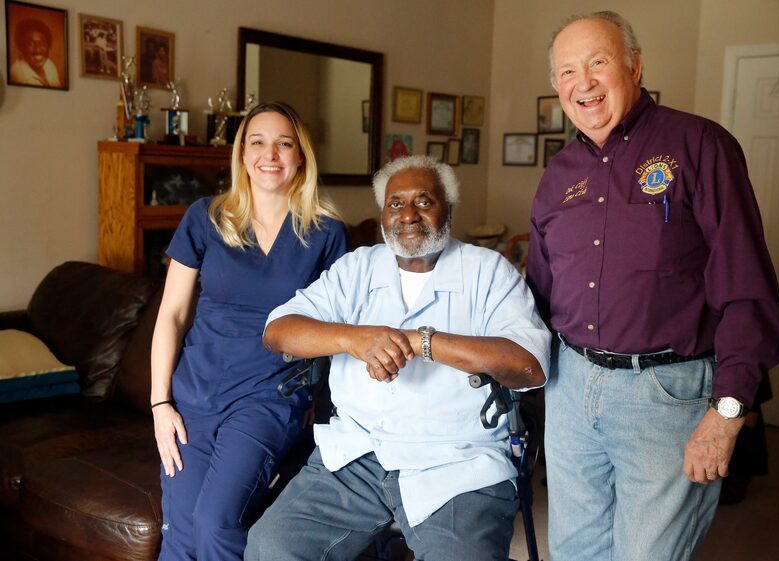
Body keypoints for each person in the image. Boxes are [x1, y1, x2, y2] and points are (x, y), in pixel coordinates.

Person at [526, 11, 779, 561]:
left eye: (598, 62)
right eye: (568, 72)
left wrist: (728, 412)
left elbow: (746, 283)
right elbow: (540, 293)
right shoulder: (558, 175)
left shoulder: (699, 145)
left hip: (665, 392)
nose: (585, 83)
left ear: (634, 65)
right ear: (556, 87)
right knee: (574, 550)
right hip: (571, 387)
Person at [245, 155, 551, 561]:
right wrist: (356, 339)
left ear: (448, 210)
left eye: (424, 202)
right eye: (395, 203)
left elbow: (530, 364)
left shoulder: (487, 271)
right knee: (271, 546)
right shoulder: (357, 268)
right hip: (356, 454)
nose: (408, 215)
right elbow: (277, 330)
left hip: (458, 462)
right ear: (382, 215)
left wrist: (421, 341)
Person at [151, 101, 347, 561]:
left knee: (215, 522)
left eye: (284, 144)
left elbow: (339, 331)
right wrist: (160, 403)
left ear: (301, 156)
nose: (270, 155)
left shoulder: (326, 232)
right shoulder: (205, 217)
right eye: (257, 142)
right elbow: (172, 315)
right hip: (193, 396)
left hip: (269, 395)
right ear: (242, 154)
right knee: (180, 534)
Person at [10, 18, 61, 87]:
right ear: (21, 47)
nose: (38, 49)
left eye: (42, 43)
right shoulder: (18, 76)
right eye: (30, 43)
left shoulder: (49, 64)